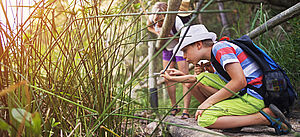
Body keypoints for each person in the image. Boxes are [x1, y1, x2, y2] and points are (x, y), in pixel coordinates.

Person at [161, 24, 291, 134]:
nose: (184, 56)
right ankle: (231, 119)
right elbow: (198, 79)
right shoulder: (215, 54)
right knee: (201, 77)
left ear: (199, 44)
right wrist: (178, 76)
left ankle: (265, 117)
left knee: (205, 119)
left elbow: (240, 81)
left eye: (185, 50)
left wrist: (208, 103)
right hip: (247, 93)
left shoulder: (220, 48)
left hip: (254, 97)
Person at [147, 2, 191, 119]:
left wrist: (170, 36)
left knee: (184, 76)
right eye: (157, 21)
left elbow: (185, 37)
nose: (159, 24)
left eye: (161, 21)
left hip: (180, 47)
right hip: (167, 48)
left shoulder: (176, 21)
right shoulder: (154, 17)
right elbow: (149, 26)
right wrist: (157, 32)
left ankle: (186, 111)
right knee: (167, 76)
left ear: (167, 18)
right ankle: (174, 107)